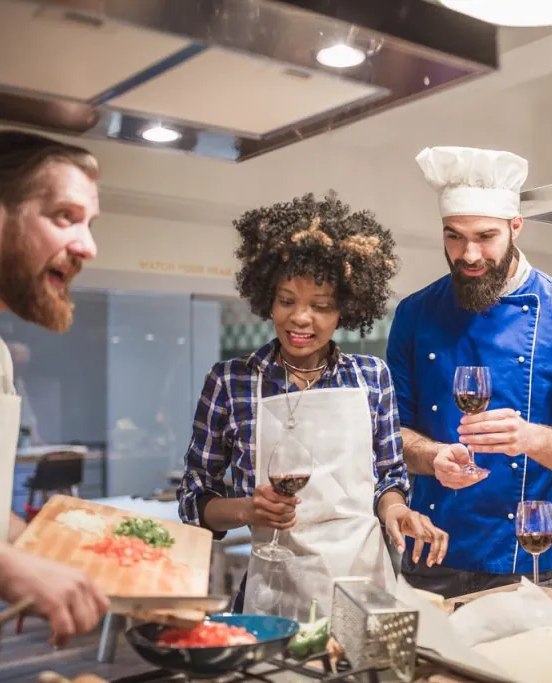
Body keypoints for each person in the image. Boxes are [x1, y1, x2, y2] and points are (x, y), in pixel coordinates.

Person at [178, 192, 448, 616]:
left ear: (345, 311)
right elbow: (194, 498)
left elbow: (388, 477)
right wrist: (249, 509)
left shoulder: (371, 377)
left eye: (320, 307)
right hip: (274, 591)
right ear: (267, 298)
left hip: (365, 587)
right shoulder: (232, 381)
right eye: (287, 301)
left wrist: (397, 511)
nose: (301, 319)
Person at [387, 146, 552, 598]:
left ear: (517, 227)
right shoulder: (415, 314)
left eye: (485, 236)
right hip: (430, 555)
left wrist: (531, 438)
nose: (468, 254)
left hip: (530, 560)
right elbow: (392, 433)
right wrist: (433, 456)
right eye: (453, 236)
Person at [0, 130, 107, 643]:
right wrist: (11, 567)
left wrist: (64, 549)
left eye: (89, 224)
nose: (88, 247)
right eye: (65, 216)